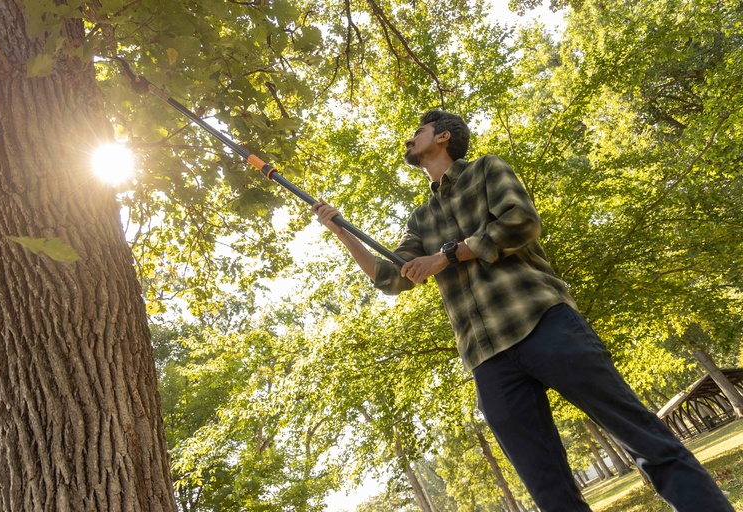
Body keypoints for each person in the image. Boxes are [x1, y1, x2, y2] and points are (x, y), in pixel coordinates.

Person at [311, 110, 734, 512]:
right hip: (487, 357)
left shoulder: (486, 170)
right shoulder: (421, 217)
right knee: (549, 492)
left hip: (544, 322)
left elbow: (520, 222)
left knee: (643, 439)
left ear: (442, 136)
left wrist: (448, 256)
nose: (410, 138)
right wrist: (342, 232)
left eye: (417, 131)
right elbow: (392, 278)